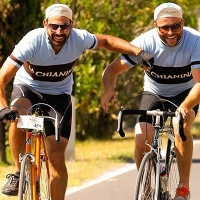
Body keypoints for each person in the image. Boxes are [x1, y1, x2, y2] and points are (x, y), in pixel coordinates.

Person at [0, 3, 153, 200]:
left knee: (56, 157)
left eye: (64, 26)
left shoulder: (79, 38)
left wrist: (137, 51)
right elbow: (2, 78)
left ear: (71, 25)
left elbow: (106, 41)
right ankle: (19, 171)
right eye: (54, 26)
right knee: (17, 116)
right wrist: (3, 107)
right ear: (45, 23)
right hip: (28, 88)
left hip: (59, 95)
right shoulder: (32, 41)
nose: (59, 31)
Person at [101, 2, 200, 200]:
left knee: (179, 123)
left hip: (186, 93)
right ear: (156, 25)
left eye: (175, 26)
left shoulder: (195, 41)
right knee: (141, 140)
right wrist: (108, 89)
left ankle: (183, 187)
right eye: (165, 27)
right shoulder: (145, 42)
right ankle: (146, 187)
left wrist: (185, 107)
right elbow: (111, 70)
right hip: (154, 93)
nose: (170, 32)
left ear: (183, 23)